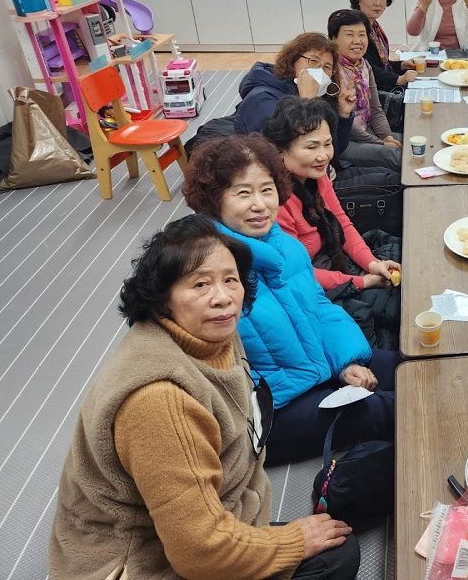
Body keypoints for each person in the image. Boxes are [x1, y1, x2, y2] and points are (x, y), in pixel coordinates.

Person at [48, 215, 360, 580]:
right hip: (143, 562)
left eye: (230, 280)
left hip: (205, 518)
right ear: (162, 297)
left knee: (335, 539)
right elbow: (200, 552)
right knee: (336, 557)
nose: (223, 297)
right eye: (200, 284)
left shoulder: (213, 335)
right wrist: (292, 541)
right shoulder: (160, 401)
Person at [182, 135, 396, 467]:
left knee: (412, 369)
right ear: (214, 199)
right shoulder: (208, 272)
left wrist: (346, 364)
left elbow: (319, 308)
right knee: (391, 409)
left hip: (319, 369)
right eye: (243, 193)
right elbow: (210, 372)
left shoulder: (286, 247)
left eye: (266, 190)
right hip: (273, 411)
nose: (259, 204)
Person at [266, 96, 402, 351]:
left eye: (327, 144)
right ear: (280, 150)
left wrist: (372, 263)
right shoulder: (275, 201)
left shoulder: (315, 178)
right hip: (310, 291)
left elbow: (342, 223)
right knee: (400, 307)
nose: (323, 156)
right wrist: (363, 282)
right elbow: (299, 274)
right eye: (311, 147)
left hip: (333, 262)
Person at [235, 32, 354, 140]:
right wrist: (307, 102)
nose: (320, 70)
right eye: (313, 61)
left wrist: (343, 114)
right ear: (293, 59)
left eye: (327, 67)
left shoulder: (320, 97)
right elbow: (288, 148)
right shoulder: (262, 98)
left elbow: (332, 148)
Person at [329, 9, 402, 172]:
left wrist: (387, 136)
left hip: (366, 129)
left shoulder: (364, 65)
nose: (357, 41)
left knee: (414, 143)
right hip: (344, 141)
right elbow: (347, 125)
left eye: (362, 35)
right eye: (349, 35)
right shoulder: (331, 70)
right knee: (397, 156)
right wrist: (380, 143)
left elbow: (375, 108)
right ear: (334, 39)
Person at [350, 0, 418, 92]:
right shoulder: (356, 28)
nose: (377, 2)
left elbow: (380, 64)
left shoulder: (373, 26)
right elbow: (366, 67)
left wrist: (401, 65)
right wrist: (398, 79)